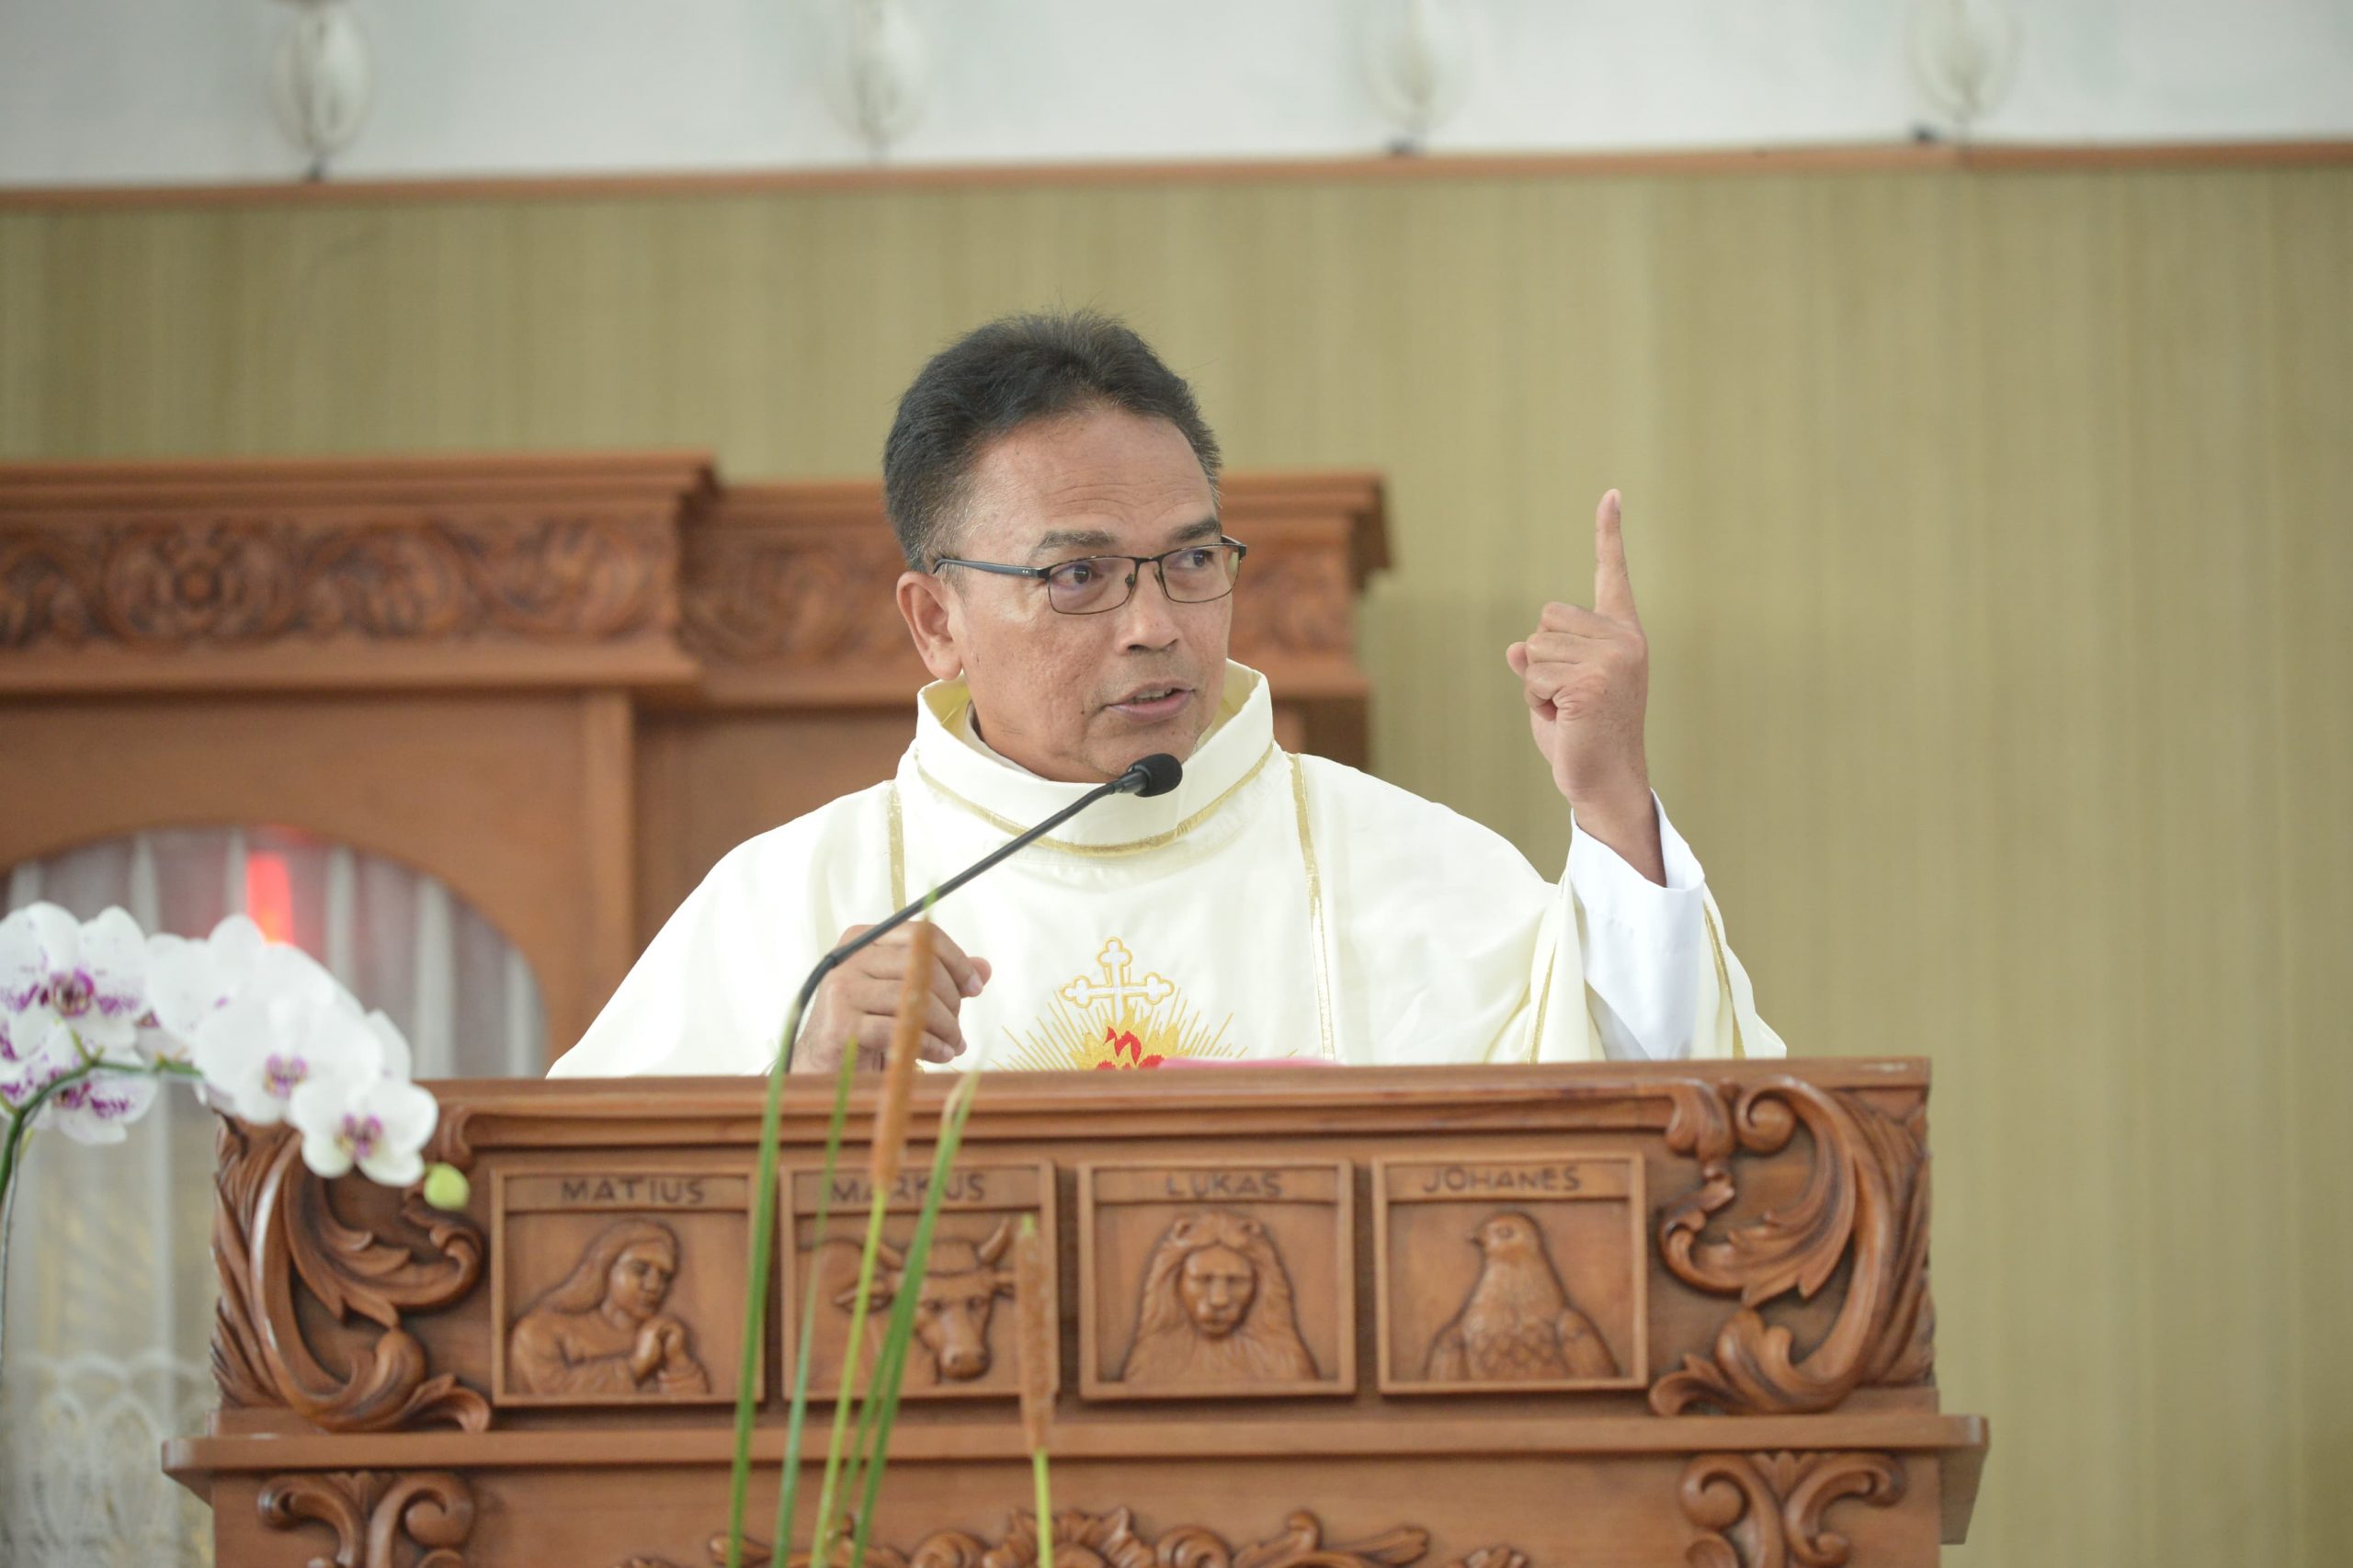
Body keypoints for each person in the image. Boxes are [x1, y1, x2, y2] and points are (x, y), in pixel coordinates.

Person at [550, 311, 1782, 1078]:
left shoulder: (1399, 868)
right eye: (1078, 575)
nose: (1154, 625)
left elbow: (1668, 1125)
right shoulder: (789, 908)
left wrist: (1612, 806)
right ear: (936, 622)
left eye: (1191, 561)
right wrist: (791, 1092)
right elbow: (589, 1248)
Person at [507, 1219, 711, 1396]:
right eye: (639, 1270)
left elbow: (698, 1417)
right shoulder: (540, 1330)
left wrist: (678, 1359)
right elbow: (550, 1397)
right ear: (604, 1269)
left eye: (664, 1277)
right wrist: (636, 1365)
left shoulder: (661, 1336)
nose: (654, 1286)